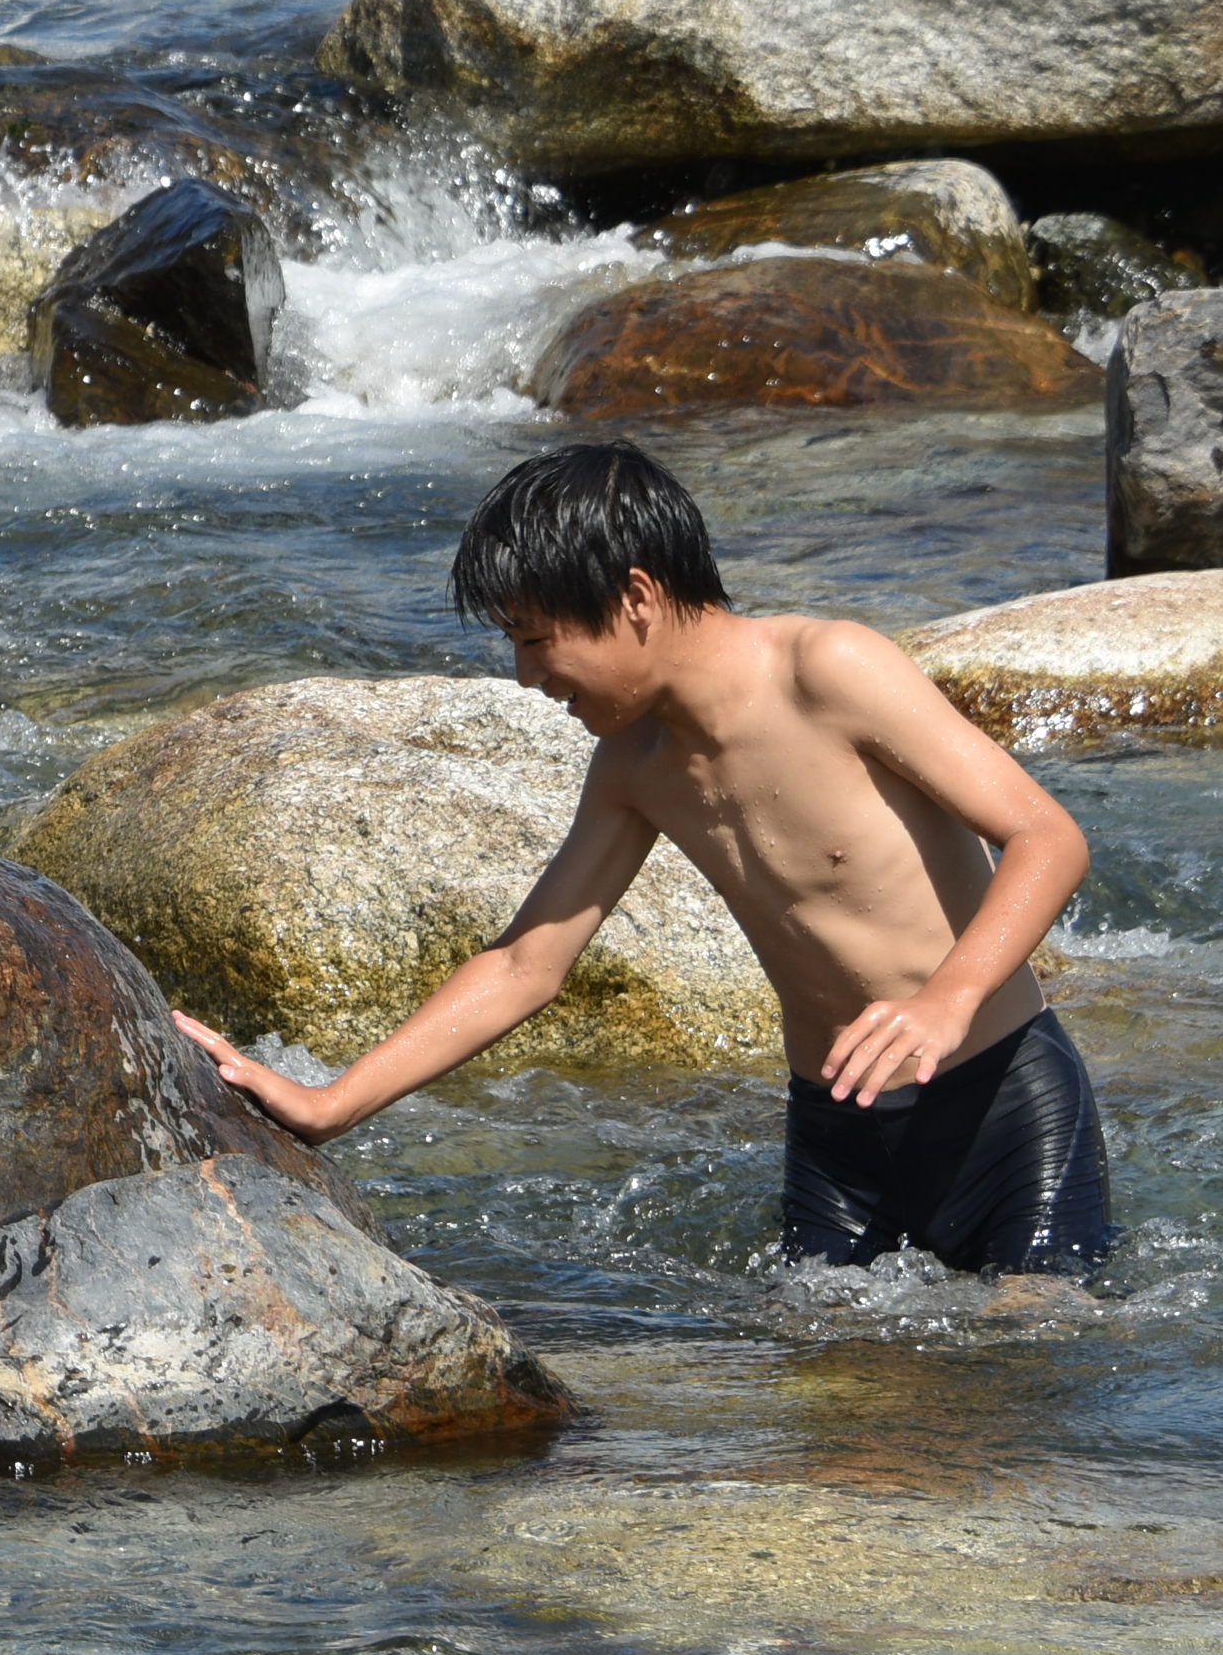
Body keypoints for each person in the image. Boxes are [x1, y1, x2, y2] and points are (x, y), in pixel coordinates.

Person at [177, 442, 1116, 1278]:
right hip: (837, 1134)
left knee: (1017, 1385)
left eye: (537, 639)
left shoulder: (830, 669)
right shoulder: (636, 766)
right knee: (841, 1415)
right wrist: (332, 1103)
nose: (525, 677)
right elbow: (522, 965)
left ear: (634, 597)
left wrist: (946, 1000)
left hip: (999, 1104)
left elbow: (1046, 836)